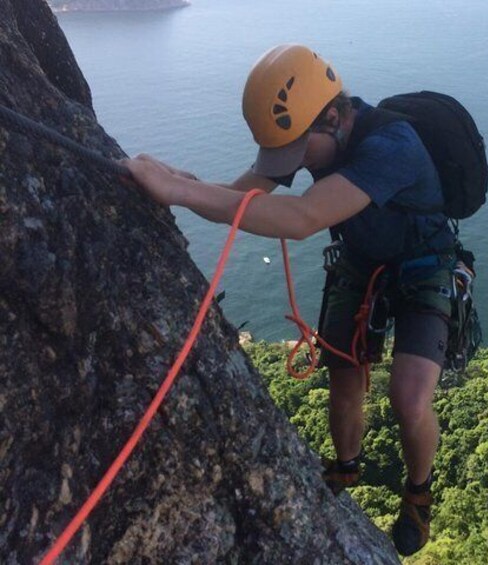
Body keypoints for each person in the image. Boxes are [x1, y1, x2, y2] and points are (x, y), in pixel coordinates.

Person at [123, 43, 457, 556]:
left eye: (297, 152)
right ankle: (345, 467)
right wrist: (177, 180)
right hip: (361, 259)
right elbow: (242, 197)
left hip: (422, 264)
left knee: (408, 398)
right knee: (343, 377)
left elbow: (301, 219)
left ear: (333, 117)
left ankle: (418, 494)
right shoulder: (314, 134)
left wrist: (181, 193)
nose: (292, 165)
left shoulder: (393, 144)